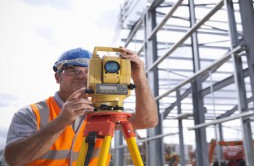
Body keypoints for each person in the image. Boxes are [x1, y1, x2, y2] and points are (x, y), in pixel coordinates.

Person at [4, 47, 158, 165]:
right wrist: (61, 121)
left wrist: (139, 78)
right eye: (72, 70)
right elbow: (15, 159)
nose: (81, 75)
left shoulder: (102, 111)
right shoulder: (31, 113)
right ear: (57, 77)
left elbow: (148, 121)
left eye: (88, 71)